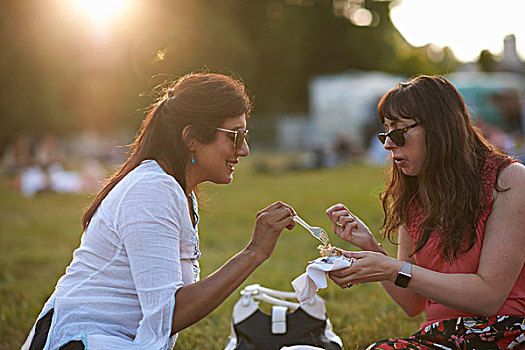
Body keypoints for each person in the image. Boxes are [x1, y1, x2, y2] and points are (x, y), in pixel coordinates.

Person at [22, 72, 296, 350]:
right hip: (80, 342)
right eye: (235, 137)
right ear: (191, 137)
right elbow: (168, 313)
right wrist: (254, 253)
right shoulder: (151, 190)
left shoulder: (176, 189)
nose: (245, 149)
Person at [325, 75, 525, 349]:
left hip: (505, 331)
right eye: (384, 134)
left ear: (439, 128)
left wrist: (394, 268)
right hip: (442, 335)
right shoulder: (415, 193)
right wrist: (373, 249)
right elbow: (413, 303)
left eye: (398, 133)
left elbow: (488, 296)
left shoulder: (509, 180)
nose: (387, 144)